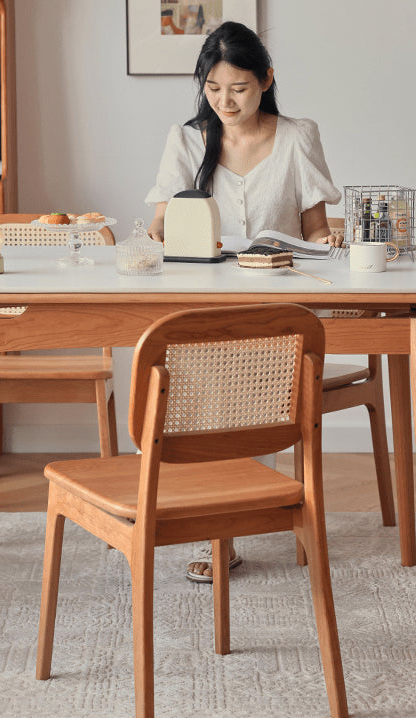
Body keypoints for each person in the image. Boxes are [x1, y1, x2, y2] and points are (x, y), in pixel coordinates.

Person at [145, 21, 342, 583]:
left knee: (236, 373)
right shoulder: (186, 140)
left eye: (238, 88)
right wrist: (166, 240)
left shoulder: (298, 136)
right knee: (196, 366)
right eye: (213, 88)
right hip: (204, 306)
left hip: (282, 307)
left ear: (266, 80)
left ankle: (228, 522)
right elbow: (161, 228)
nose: (225, 101)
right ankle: (220, 523)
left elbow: (316, 230)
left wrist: (331, 247)